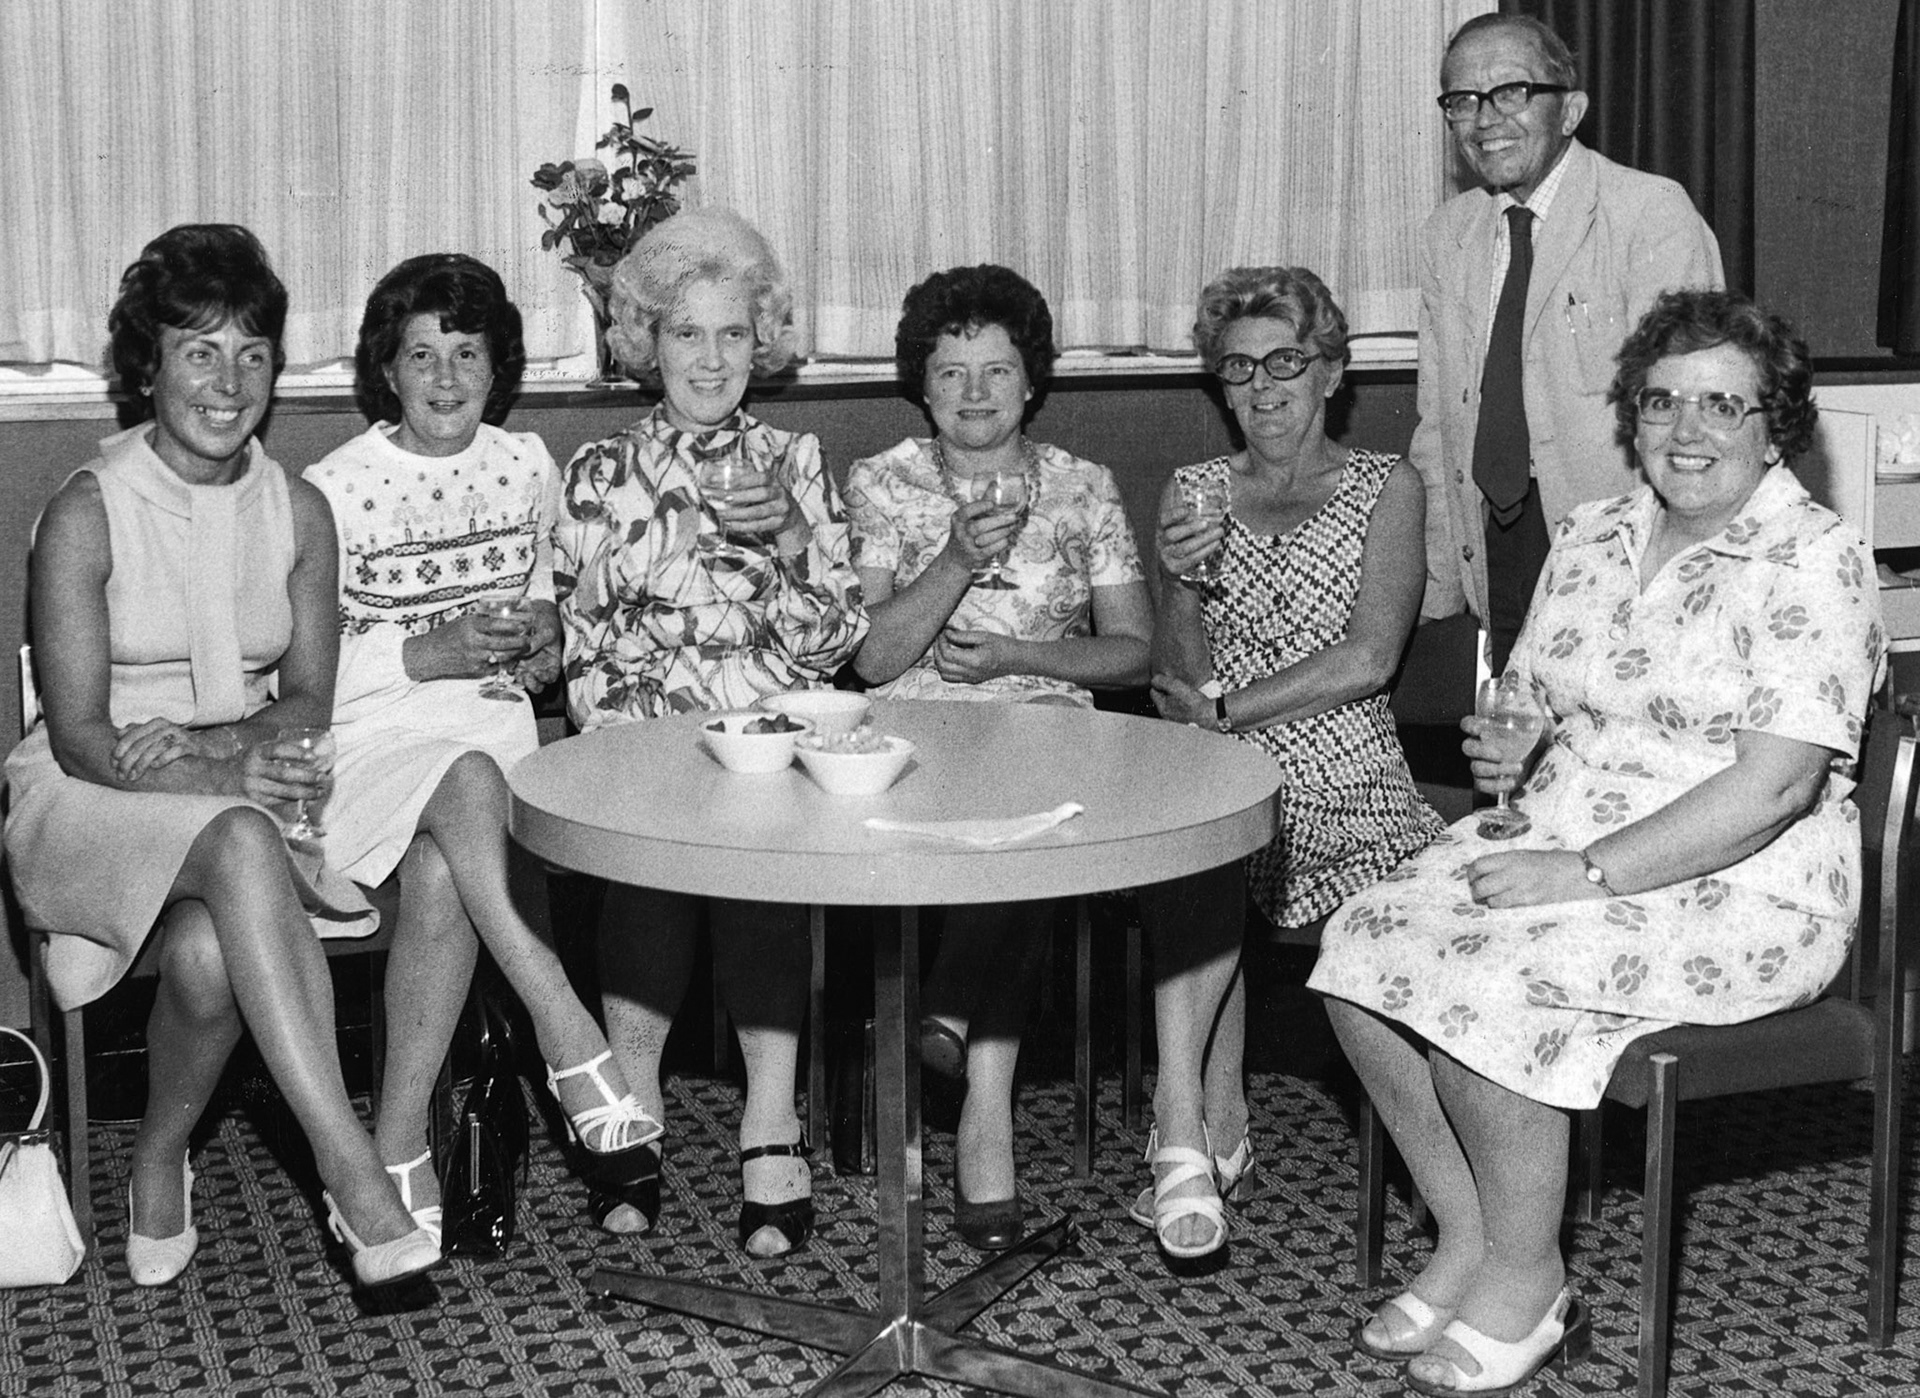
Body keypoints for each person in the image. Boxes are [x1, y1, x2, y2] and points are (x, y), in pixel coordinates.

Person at [1309, 290, 1884, 1395]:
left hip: (1746, 883)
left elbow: (1773, 789)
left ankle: (1530, 1283)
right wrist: (1509, 747)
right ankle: (1472, 1233)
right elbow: (1532, 698)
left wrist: (1578, 874)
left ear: (1777, 424)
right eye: (1663, 400)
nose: (1688, 430)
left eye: (1726, 404)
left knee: (1495, 978)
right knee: (1361, 941)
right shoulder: (1592, 533)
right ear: (1632, 414)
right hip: (1564, 831)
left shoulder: (1814, 560)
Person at [2, 225, 436, 1297]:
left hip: (229, 788)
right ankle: (351, 1165)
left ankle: (160, 1153)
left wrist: (215, 752)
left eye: (253, 354)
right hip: (85, 798)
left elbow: (308, 700)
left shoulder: (298, 510)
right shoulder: (85, 513)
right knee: (240, 832)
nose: (228, 381)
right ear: (148, 362)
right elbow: (83, 736)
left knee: (205, 958)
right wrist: (223, 771)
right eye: (199, 350)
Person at [303, 253, 662, 1240]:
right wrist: (426, 651)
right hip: (371, 750)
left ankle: (399, 1140)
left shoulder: (524, 464)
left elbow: (544, 610)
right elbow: (304, 681)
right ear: (387, 369)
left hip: (491, 761)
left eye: (468, 353)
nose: (447, 377)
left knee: (441, 870)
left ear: (497, 366)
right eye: (422, 354)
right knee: (459, 781)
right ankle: (564, 1022)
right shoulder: (333, 490)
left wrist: (545, 644)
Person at [553, 207, 869, 1257]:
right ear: (647, 340)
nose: (713, 357)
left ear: (761, 341)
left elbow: (833, 648)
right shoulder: (599, 472)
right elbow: (580, 643)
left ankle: (770, 1118)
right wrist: (632, 742)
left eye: (735, 333)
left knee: (761, 880)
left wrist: (785, 534)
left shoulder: (798, 458)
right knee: (646, 882)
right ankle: (633, 1103)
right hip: (642, 736)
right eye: (687, 333)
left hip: (768, 735)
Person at [1142, 266, 1443, 1271]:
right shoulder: (1192, 492)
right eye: (1240, 369)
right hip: (1224, 761)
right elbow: (1176, 678)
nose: (1264, 388)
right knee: (1208, 834)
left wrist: (1231, 710)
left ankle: (1194, 1131)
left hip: (1347, 763)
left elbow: (1369, 659)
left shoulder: (1386, 485)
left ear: (1332, 374)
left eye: (1287, 362)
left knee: (1218, 834)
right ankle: (1188, 1125)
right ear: (1221, 386)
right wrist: (1178, 575)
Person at [845, 264, 1151, 1249]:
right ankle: (982, 1111)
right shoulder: (883, 481)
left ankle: (952, 1042)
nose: (974, 394)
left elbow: (1133, 650)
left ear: (1032, 382)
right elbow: (873, 654)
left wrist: (1020, 654)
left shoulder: (1082, 488)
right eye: (950, 373)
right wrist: (956, 560)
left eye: (996, 371)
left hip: (1045, 727)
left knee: (1037, 825)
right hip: (914, 734)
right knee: (1019, 852)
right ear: (921, 386)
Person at [1413, 12, 1724, 671]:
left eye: (1511, 92)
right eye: (1463, 100)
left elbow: (1691, 429)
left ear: (1572, 109)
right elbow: (1436, 426)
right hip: (1493, 539)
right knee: (1514, 744)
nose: (1485, 119)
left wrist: (1663, 583)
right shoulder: (1450, 234)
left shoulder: (1650, 215)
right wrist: (1438, 591)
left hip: (1622, 550)